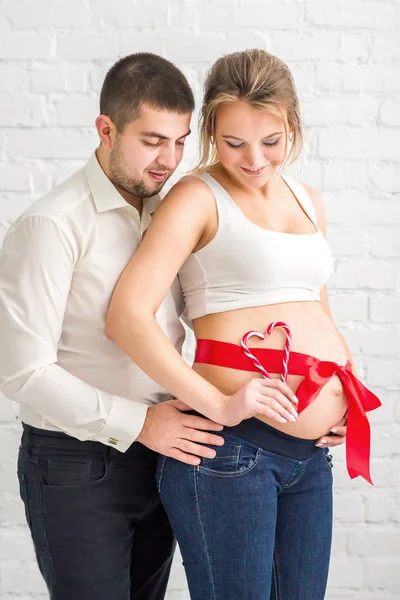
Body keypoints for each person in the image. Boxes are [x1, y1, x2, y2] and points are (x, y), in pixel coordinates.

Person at [106, 49, 381, 600]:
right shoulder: (195, 198)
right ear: (211, 130)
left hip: (310, 461)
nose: (254, 159)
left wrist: (341, 397)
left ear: (293, 126)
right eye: (234, 143)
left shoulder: (308, 201)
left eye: (271, 141)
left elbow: (316, 311)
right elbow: (126, 316)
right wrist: (219, 403)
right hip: (233, 454)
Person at [0, 52, 231, 600]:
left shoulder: (172, 213)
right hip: (75, 462)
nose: (169, 159)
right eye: (152, 140)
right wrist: (139, 423)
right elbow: (22, 372)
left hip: (164, 454)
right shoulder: (51, 224)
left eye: (180, 142)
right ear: (106, 129)